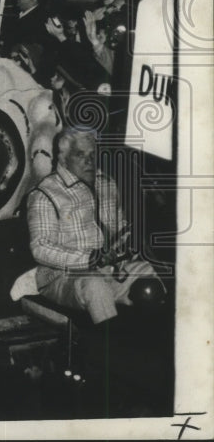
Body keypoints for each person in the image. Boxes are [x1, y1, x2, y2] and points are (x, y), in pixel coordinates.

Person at [27, 128, 164, 324]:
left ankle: (152, 344)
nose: (89, 161)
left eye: (93, 154)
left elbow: (120, 226)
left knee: (150, 271)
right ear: (63, 158)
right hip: (62, 278)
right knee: (95, 285)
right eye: (80, 154)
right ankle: (107, 348)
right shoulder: (44, 194)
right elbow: (40, 248)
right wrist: (90, 258)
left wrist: (126, 243)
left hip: (109, 271)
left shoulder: (107, 184)